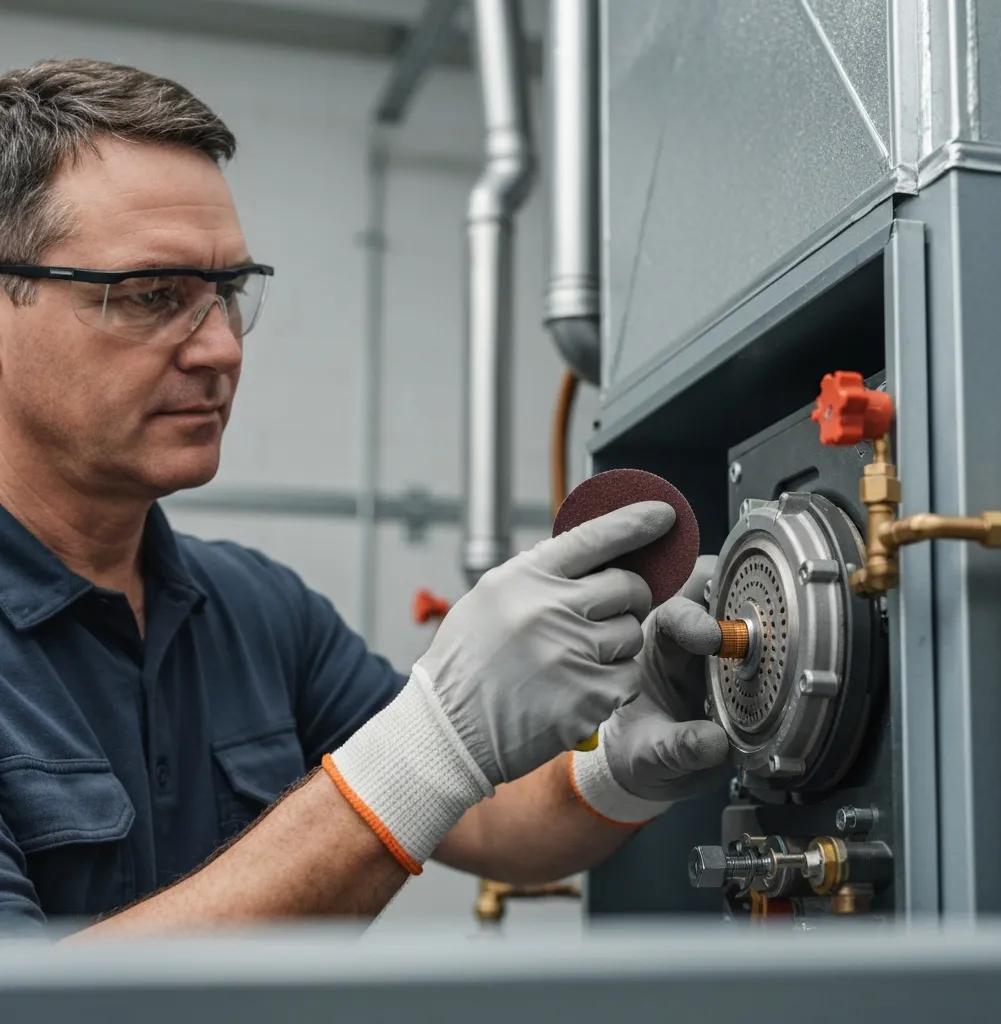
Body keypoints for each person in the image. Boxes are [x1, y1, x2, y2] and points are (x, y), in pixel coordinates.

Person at [0, 58, 728, 935]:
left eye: (228, 292)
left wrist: (619, 765)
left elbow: (486, 814)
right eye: (154, 295)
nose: (222, 349)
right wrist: (431, 743)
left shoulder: (254, 609)